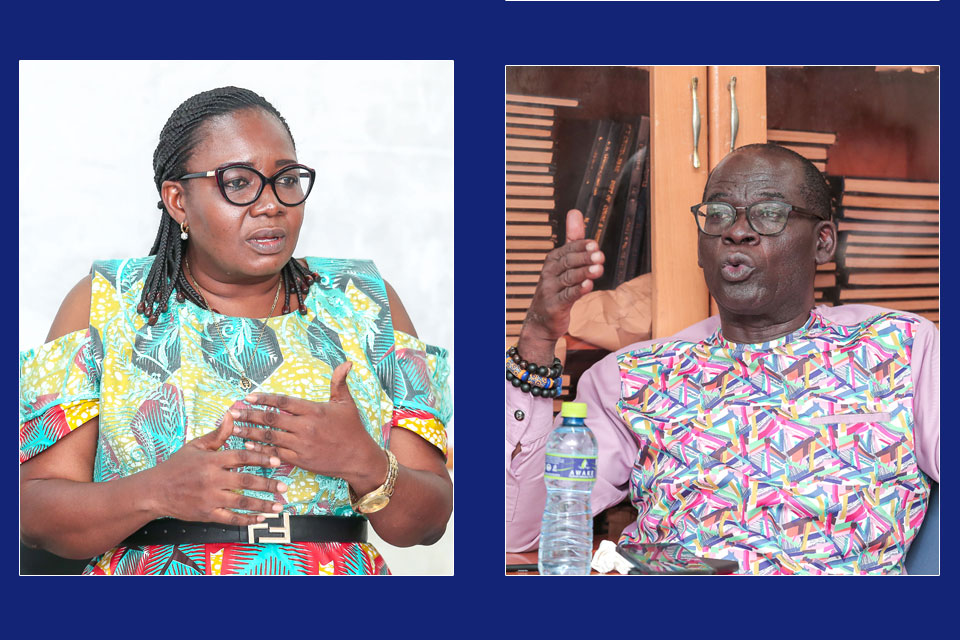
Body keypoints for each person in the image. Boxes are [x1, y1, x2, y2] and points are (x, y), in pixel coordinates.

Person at [19, 86, 453, 575]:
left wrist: (365, 462)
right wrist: (155, 491)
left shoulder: (366, 301)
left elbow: (429, 522)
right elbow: (34, 514)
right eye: (239, 182)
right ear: (178, 200)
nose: (272, 204)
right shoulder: (105, 302)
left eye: (286, 180)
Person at [505, 144, 939, 575]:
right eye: (719, 214)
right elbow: (517, 533)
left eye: (769, 213)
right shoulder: (631, 377)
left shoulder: (898, 346)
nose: (737, 232)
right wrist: (539, 337)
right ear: (701, 246)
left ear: (822, 242)